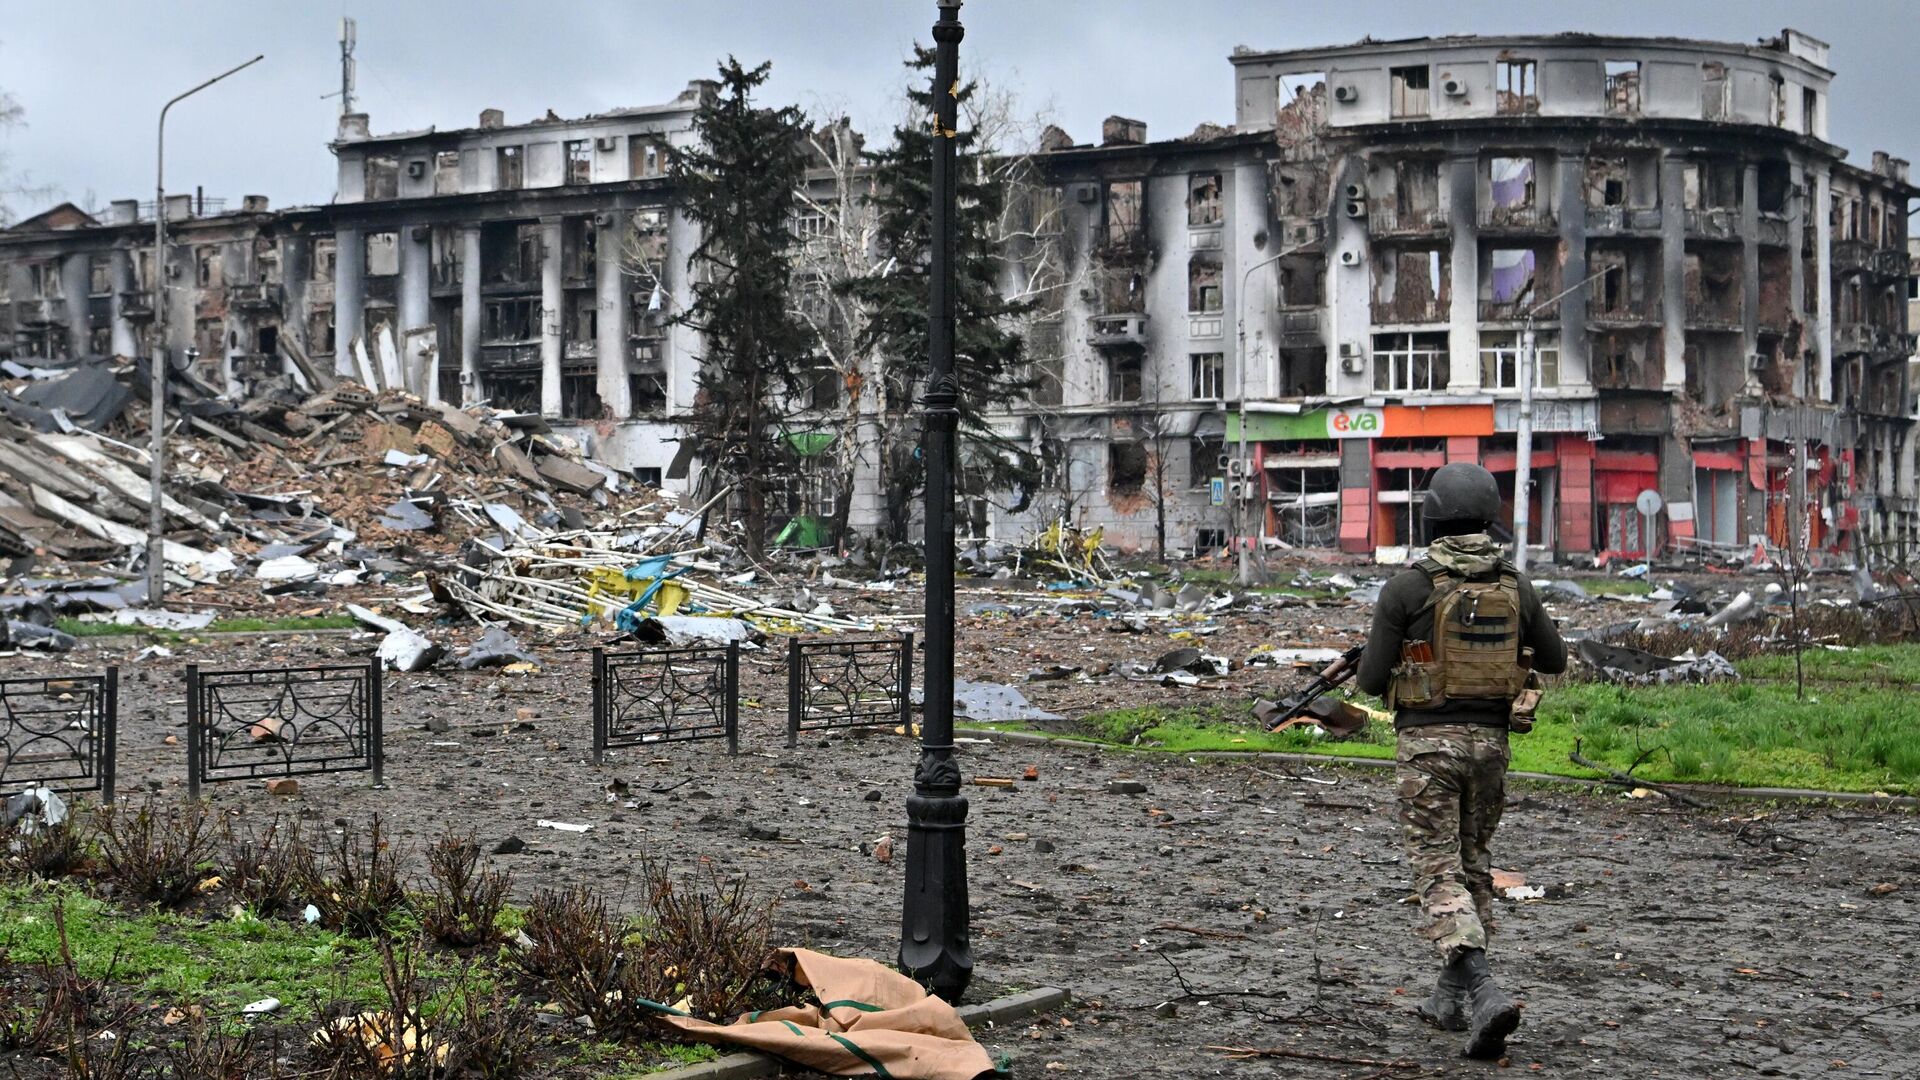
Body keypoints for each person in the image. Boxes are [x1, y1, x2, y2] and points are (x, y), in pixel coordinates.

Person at [1355, 462, 1567, 1060]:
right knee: (1473, 865)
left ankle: (1483, 988)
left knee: (1437, 870)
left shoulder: (1408, 586)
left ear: (1433, 517)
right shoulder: (1515, 583)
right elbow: (1554, 660)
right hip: (1492, 748)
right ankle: (1452, 998)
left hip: (1428, 748)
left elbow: (1372, 682)